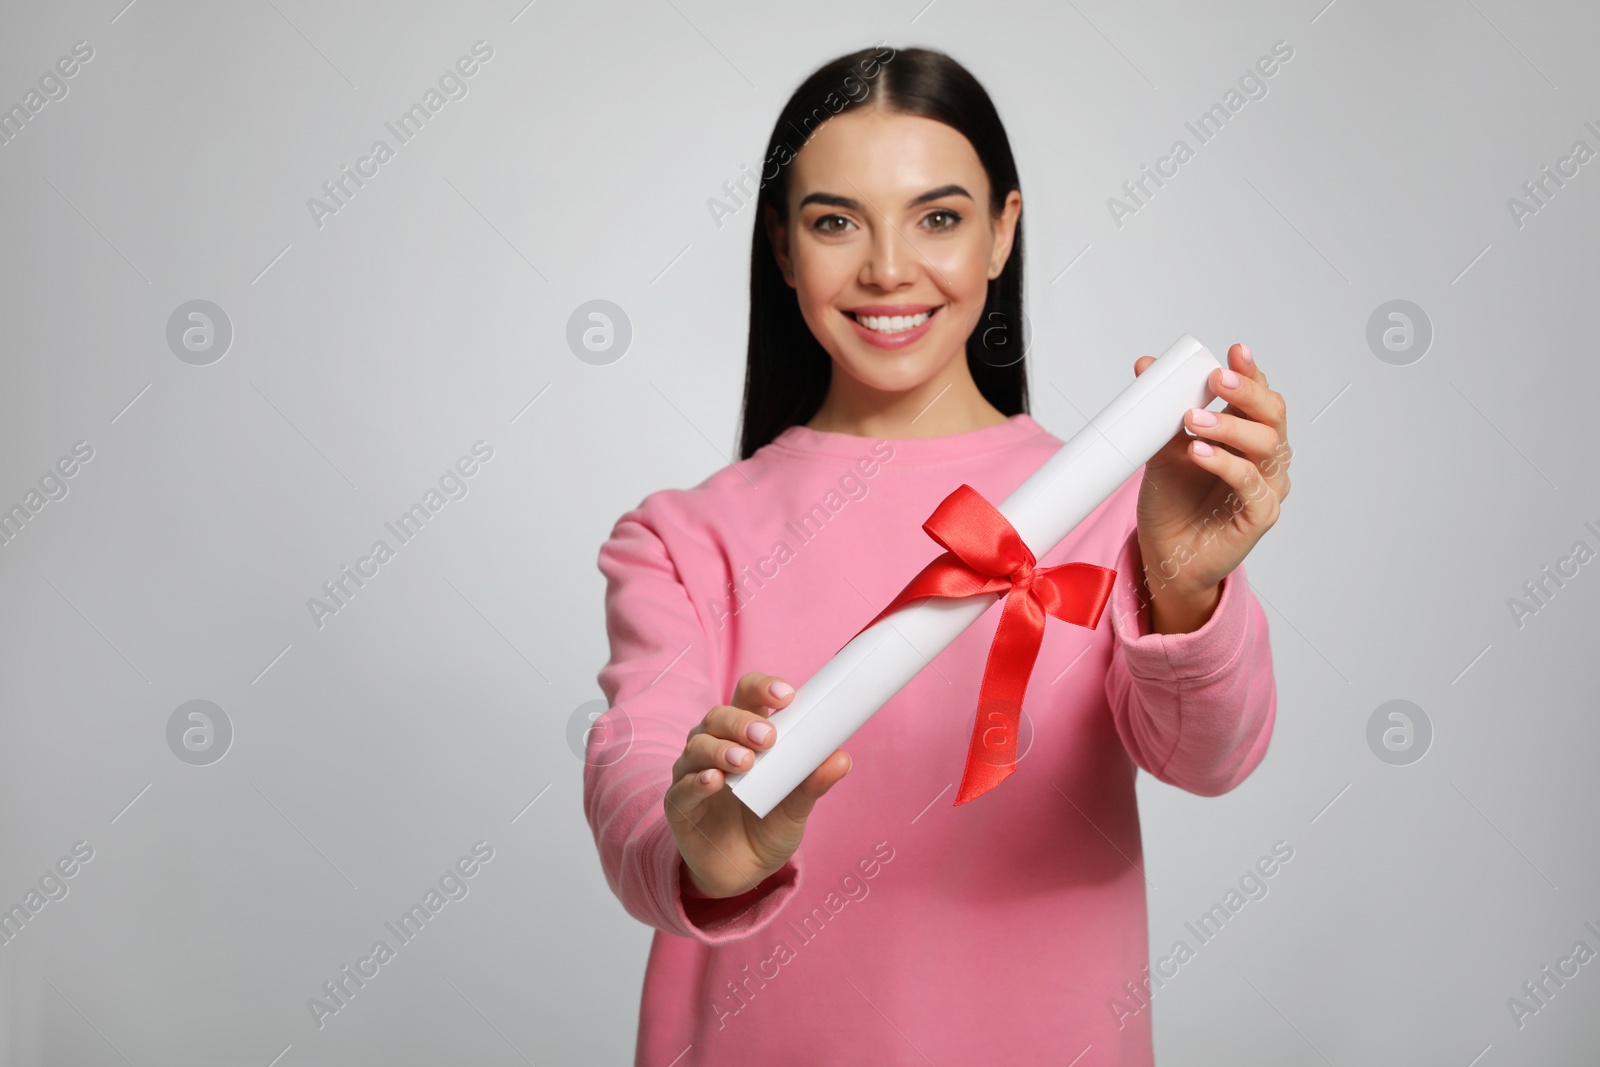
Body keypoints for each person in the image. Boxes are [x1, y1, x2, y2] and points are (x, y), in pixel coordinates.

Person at [584, 42, 1289, 1067]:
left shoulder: (1109, 504)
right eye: (834, 221)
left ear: (1003, 231)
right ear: (782, 247)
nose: (886, 266)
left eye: (939, 216)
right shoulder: (681, 538)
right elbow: (633, 783)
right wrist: (700, 843)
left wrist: (1182, 578)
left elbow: (1211, 757)